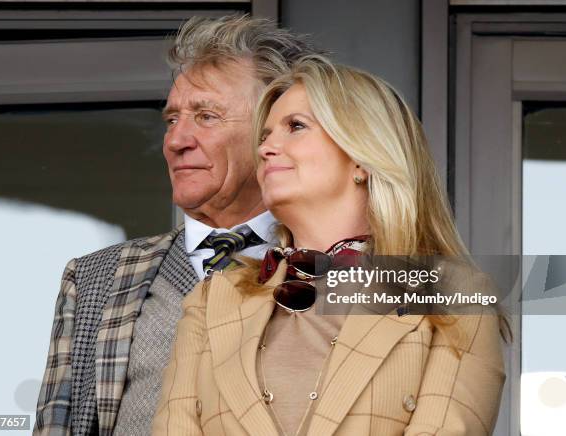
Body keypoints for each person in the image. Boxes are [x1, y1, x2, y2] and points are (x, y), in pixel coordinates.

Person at [152, 56, 507, 435]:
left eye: (296, 127)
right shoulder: (211, 300)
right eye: (264, 136)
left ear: (361, 158)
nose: (266, 148)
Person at [34, 15, 320, 436]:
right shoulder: (96, 279)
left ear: (271, 133)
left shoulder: (348, 272)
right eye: (172, 120)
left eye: (206, 116)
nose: (175, 140)